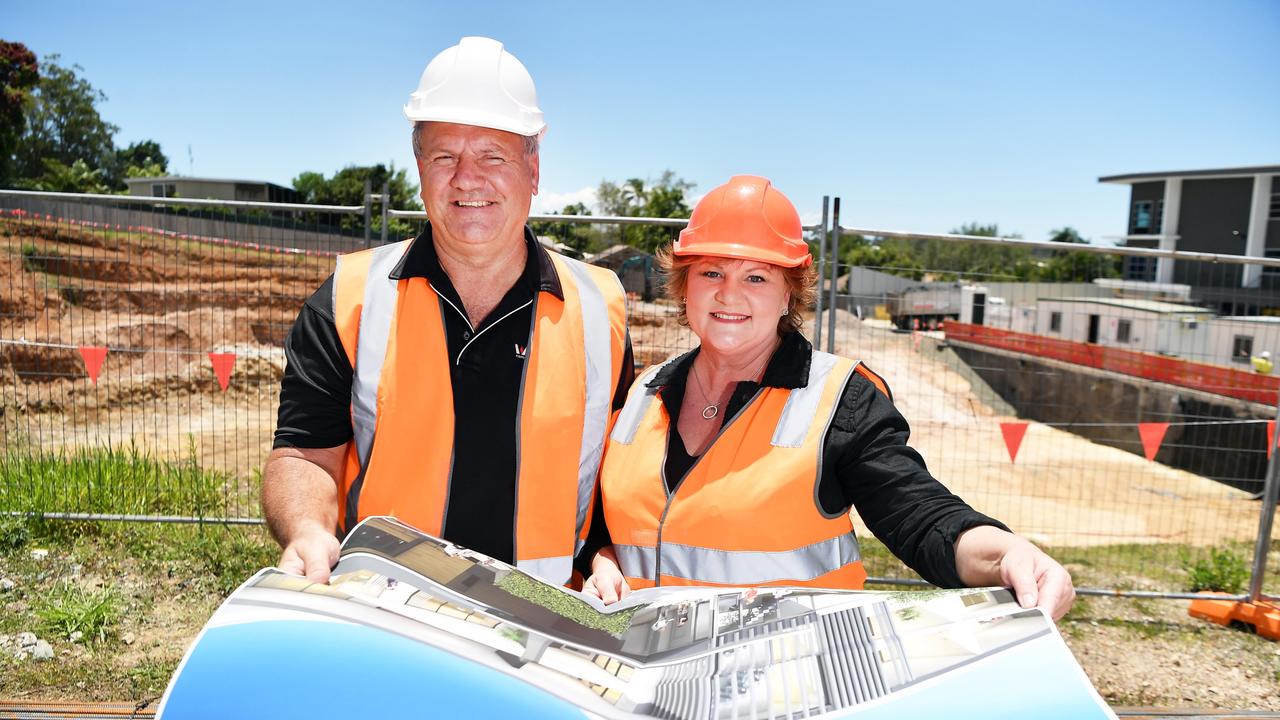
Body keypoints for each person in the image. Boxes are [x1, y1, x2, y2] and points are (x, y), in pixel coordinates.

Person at [583, 175, 1075, 619]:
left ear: (787, 295)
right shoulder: (644, 391)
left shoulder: (841, 399)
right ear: (684, 286)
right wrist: (601, 555)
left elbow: (920, 515)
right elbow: (606, 516)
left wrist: (1008, 554)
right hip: (645, 677)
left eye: (756, 277)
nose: (729, 294)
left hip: (783, 684)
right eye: (712, 272)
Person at [262, 37, 632, 586]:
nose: (467, 178)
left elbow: (616, 475)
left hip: (543, 624)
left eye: (492, 155)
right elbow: (305, 455)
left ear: (533, 169)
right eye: (445, 156)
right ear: (419, 167)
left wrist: (604, 552)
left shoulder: (602, 309)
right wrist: (308, 528)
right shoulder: (349, 299)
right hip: (388, 610)